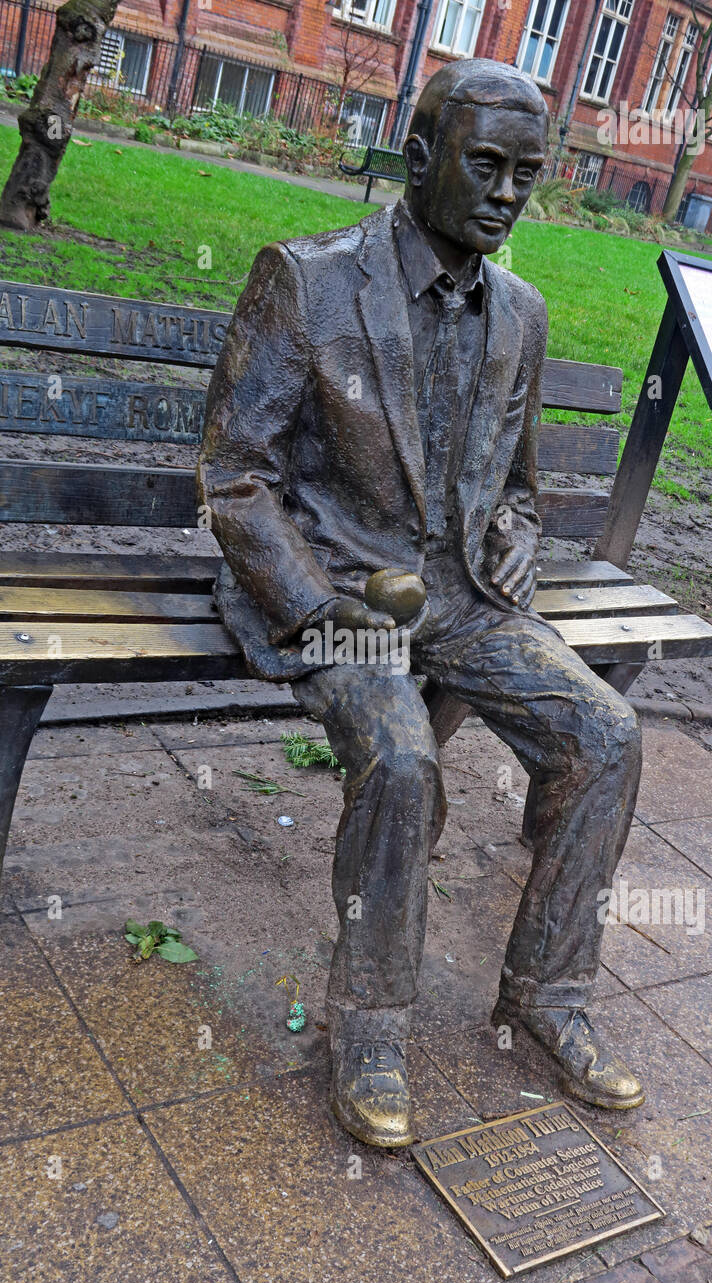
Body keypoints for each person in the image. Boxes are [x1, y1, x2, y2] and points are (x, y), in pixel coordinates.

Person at [198, 59, 644, 1149]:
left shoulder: (523, 313)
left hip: (462, 597)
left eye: (526, 175)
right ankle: (372, 1024)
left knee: (608, 732)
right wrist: (311, 606)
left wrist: (514, 542)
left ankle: (547, 994)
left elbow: (522, 485)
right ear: (417, 160)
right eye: (484, 167)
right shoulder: (309, 281)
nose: (504, 194)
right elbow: (235, 478)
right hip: (339, 591)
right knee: (401, 757)